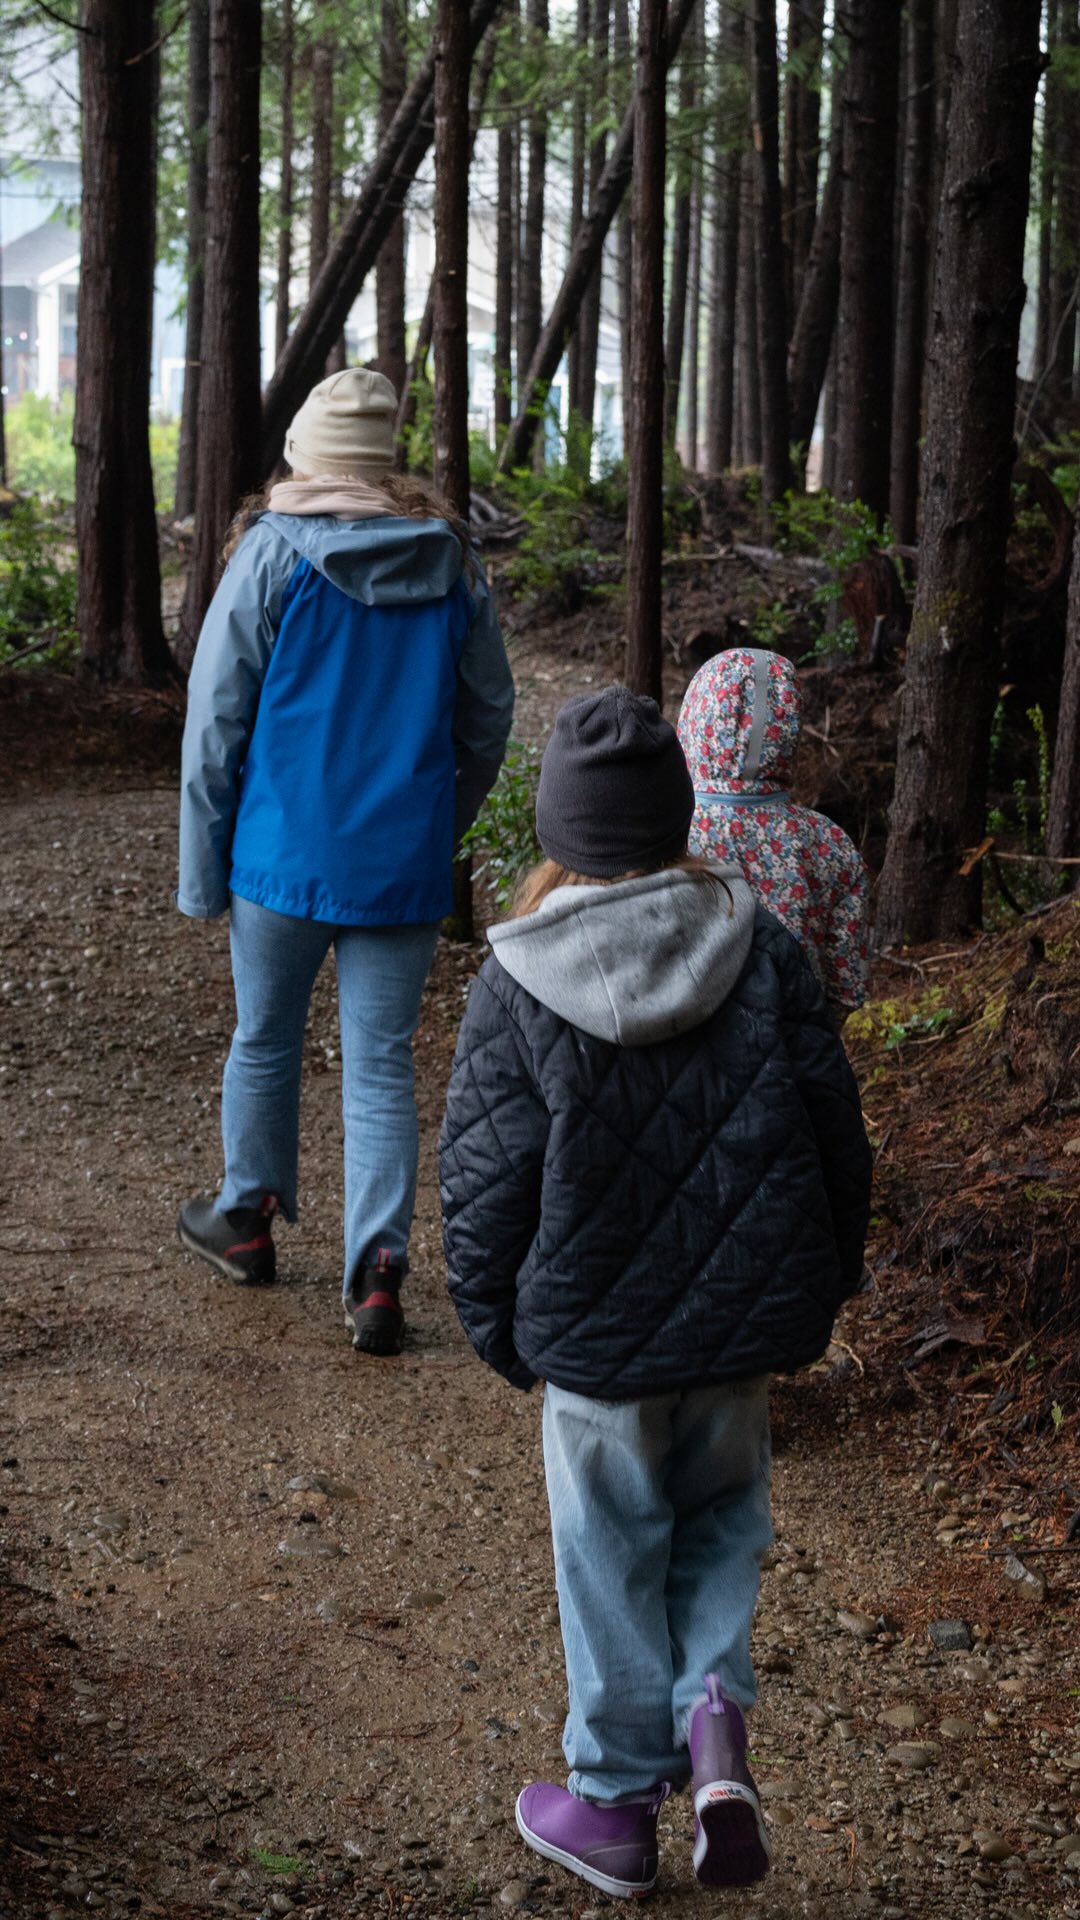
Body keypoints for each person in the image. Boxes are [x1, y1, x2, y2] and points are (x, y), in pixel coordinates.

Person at [440, 685, 871, 1899]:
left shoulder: (518, 979)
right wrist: (826, 1275)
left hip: (596, 1344)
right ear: (678, 819)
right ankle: (716, 1725)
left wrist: (501, 1328)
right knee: (723, 1529)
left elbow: (482, 1182)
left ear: (559, 834)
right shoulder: (760, 944)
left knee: (608, 1552)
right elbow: (836, 1130)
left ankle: (617, 1805)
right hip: (737, 1331)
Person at [176, 367, 513, 1356]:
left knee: (266, 1040)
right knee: (378, 1068)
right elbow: (489, 716)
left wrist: (203, 870)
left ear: (308, 457)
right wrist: (438, 818)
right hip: (398, 865)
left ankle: (247, 1223)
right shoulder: (454, 563)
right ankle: (377, 1276)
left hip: (279, 856)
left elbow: (214, 723)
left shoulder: (271, 555)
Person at [677, 647, 870, 1018]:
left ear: (694, 717)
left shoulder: (666, 834)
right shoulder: (830, 844)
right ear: (790, 725)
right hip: (797, 1058)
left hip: (688, 1059)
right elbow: (846, 990)